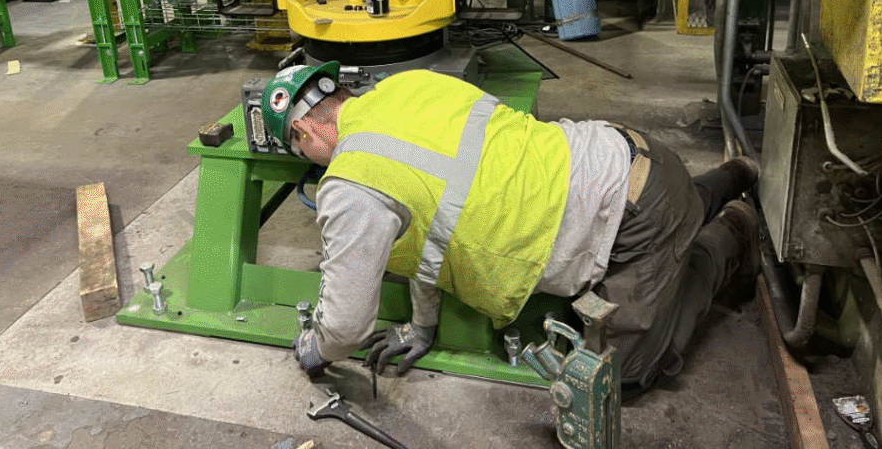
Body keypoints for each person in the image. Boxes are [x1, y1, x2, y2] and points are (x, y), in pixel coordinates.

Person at [262, 61, 761, 392]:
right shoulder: (407, 87)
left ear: (304, 131)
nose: (309, 161)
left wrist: (315, 348)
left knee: (613, 379)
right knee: (673, 204)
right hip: (619, 152)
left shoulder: (350, 182)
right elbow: (434, 214)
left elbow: (346, 327)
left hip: (634, 217)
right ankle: (737, 175)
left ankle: (732, 233)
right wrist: (421, 324)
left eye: (300, 149)